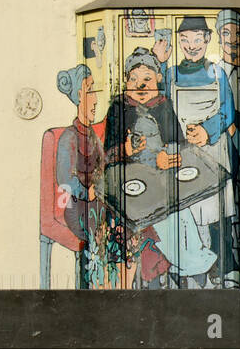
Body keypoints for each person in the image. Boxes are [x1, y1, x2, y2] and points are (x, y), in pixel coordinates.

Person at [164, 15, 239, 286]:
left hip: (214, 148)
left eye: (197, 39)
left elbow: (228, 113)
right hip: (184, 150)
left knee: (216, 210)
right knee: (186, 211)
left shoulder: (216, 72)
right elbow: (162, 108)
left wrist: (207, 130)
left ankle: (222, 264)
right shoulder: (170, 74)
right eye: (185, 40)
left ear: (207, 40)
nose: (191, 45)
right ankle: (186, 264)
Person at [101, 47, 183, 286]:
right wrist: (124, 152)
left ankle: (172, 270)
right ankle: (145, 275)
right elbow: (106, 156)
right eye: (133, 80)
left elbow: (179, 145)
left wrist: (167, 157)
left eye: (147, 79)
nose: (140, 86)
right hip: (128, 185)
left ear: (158, 78)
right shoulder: (118, 108)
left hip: (160, 181)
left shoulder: (164, 106)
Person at [54, 64, 106, 288]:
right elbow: (65, 180)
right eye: (90, 90)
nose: (95, 99)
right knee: (97, 231)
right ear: (78, 96)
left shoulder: (93, 134)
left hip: (95, 202)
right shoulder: (69, 137)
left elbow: (103, 165)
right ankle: (88, 285)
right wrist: (88, 191)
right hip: (76, 207)